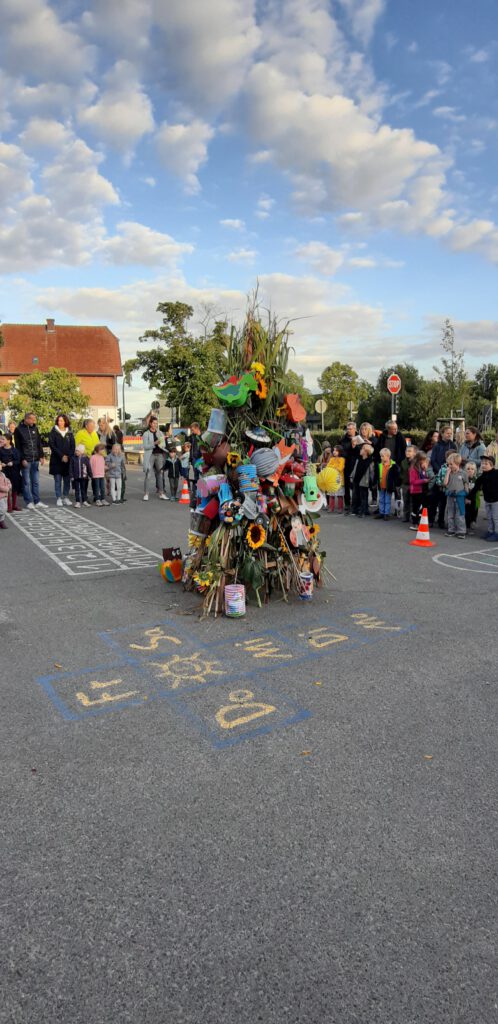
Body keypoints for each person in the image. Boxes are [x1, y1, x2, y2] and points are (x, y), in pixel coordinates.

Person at [14, 413, 48, 509]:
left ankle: (37, 501)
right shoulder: (18, 430)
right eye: (32, 420)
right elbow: (18, 447)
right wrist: (22, 459)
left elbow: (39, 443)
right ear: (26, 419)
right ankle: (29, 501)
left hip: (35, 459)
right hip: (26, 460)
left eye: (34, 419)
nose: (34, 421)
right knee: (26, 482)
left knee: (35, 481)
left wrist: (41, 456)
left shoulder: (35, 428)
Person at [430, 426, 455, 529]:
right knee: (434, 499)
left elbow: (455, 458)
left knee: (444, 501)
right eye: (447, 433)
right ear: (442, 433)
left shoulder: (452, 445)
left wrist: (448, 470)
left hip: (448, 475)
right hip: (438, 474)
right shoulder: (437, 445)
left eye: (450, 433)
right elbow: (433, 459)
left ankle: (441, 520)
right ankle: (431, 519)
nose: (449, 435)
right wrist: (439, 470)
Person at [48, 414, 75, 507]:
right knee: (58, 480)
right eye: (59, 420)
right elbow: (52, 445)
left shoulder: (70, 432)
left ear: (65, 421)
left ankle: (66, 497)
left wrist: (68, 456)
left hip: (68, 460)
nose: (61, 422)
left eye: (62, 420)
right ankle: (59, 498)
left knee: (67, 480)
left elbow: (73, 446)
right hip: (57, 460)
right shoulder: (53, 432)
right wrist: (61, 456)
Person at [142, 416, 167, 501]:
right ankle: (146, 494)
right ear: (150, 424)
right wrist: (155, 443)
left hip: (159, 455)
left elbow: (164, 445)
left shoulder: (160, 433)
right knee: (148, 475)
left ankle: (161, 493)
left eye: (156, 423)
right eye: (154, 423)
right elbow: (145, 446)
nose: (155, 425)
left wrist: (162, 444)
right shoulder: (146, 434)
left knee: (160, 474)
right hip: (150, 455)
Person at [473, 454, 498, 540]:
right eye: (482, 463)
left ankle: (497, 533)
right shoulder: (482, 476)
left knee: (496, 517)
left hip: (496, 501)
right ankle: (490, 531)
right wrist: (468, 497)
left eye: (486, 463)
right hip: (487, 500)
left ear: (492, 465)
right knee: (489, 517)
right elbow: (476, 488)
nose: (483, 465)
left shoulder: (496, 473)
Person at [444, 453, 468, 539]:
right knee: (450, 513)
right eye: (448, 464)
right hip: (450, 495)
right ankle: (451, 529)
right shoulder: (449, 473)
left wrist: (466, 495)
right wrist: (447, 473)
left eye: (451, 464)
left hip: (460, 496)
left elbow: (466, 484)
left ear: (457, 464)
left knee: (460, 514)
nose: (449, 466)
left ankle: (461, 531)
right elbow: (445, 483)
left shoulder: (463, 473)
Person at [350, 442, 375, 517]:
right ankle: (356, 509)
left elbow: (371, 473)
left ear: (366, 452)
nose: (360, 450)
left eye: (362, 449)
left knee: (364, 497)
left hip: (364, 482)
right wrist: (352, 477)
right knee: (356, 495)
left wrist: (372, 482)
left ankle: (364, 511)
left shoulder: (370, 461)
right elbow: (355, 469)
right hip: (356, 480)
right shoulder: (359, 460)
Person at [375, 447, 400, 520]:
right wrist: (375, 483)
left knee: (387, 500)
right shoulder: (379, 465)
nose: (381, 457)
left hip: (389, 486)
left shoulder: (393, 465)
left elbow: (397, 476)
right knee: (381, 499)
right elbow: (376, 475)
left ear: (388, 456)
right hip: (381, 485)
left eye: (382, 456)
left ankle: (386, 513)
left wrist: (396, 484)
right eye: (381, 456)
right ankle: (381, 512)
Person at [0, 433, 22, 512]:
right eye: (1, 439)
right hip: (5, 472)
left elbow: (18, 460)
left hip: (14, 471)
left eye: (3, 439)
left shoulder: (15, 450)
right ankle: (8, 506)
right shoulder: (1, 450)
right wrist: (1, 464)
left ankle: (14, 505)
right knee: (7, 488)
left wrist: (12, 463)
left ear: (9, 441)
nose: (1, 440)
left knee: (14, 488)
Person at [409, 451, 429, 529]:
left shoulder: (421, 468)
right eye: (423, 460)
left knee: (423, 507)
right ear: (419, 460)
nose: (424, 462)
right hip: (416, 491)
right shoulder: (413, 469)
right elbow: (413, 481)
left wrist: (424, 470)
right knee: (416, 507)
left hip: (421, 491)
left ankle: (420, 522)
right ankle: (414, 523)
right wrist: (424, 480)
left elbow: (423, 476)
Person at [340, 422, 357, 514]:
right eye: (348, 429)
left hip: (357, 464)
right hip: (347, 464)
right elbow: (342, 451)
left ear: (355, 429)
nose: (349, 430)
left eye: (351, 429)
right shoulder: (343, 439)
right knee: (346, 485)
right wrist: (351, 447)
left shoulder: (359, 438)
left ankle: (356, 503)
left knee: (355, 485)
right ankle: (347, 503)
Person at [399, 444, 417, 523]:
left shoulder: (417, 462)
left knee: (413, 502)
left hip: (414, 485)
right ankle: (406, 516)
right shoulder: (403, 462)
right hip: (405, 484)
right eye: (406, 451)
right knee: (406, 501)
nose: (407, 452)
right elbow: (401, 473)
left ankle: (413, 517)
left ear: (415, 453)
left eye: (410, 451)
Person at [189, 422, 202, 509]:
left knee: (201, 477)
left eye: (193, 430)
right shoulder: (192, 437)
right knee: (195, 478)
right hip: (194, 459)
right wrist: (191, 458)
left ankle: (200, 495)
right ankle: (195, 497)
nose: (192, 431)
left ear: (197, 428)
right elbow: (192, 448)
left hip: (201, 459)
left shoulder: (203, 436)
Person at [464, 461, 479, 536]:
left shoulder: (476, 479)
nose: (470, 470)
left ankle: (472, 522)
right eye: (468, 469)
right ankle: (466, 527)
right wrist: (466, 498)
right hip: (466, 499)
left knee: (474, 512)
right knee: (467, 513)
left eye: (472, 469)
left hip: (474, 499)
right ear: (465, 470)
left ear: (475, 470)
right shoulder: (464, 479)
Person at [0, 463, 12, 529]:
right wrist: (6, 489)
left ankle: (2, 521)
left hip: (5, 495)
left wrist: (9, 485)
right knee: (2, 509)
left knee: (5, 508)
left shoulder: (3, 474)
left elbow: (8, 481)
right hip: (1, 496)